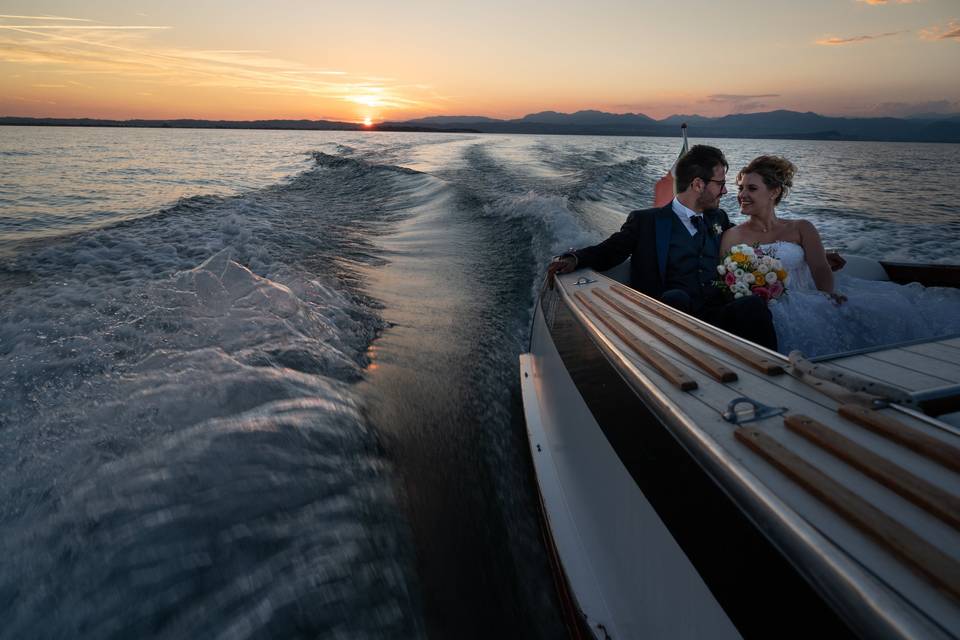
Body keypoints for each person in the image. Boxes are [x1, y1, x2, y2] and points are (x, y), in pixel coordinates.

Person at [722, 155, 960, 357]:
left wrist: (827, 296)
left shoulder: (800, 227)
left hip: (810, 296)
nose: (742, 194)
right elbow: (725, 279)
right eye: (740, 187)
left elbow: (820, 267)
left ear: (774, 192)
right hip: (762, 307)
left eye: (751, 188)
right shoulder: (733, 236)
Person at [548, 144, 778, 350]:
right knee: (676, 297)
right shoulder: (646, 221)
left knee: (753, 306)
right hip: (664, 318)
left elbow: (745, 239)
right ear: (698, 184)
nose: (726, 191)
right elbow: (610, 250)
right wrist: (573, 259)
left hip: (714, 315)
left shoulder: (718, 218)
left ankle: (775, 376)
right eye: (721, 184)